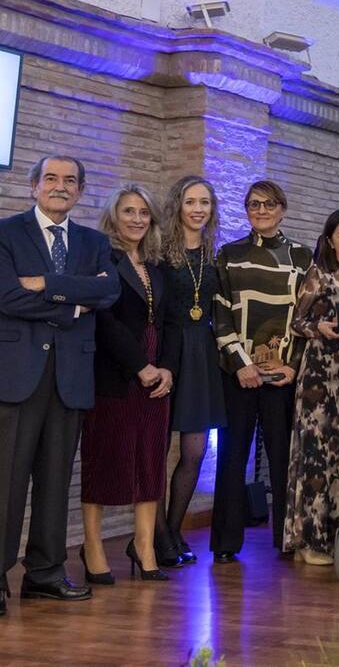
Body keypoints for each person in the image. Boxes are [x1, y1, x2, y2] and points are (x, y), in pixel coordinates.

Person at [0, 155, 119, 614]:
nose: (60, 186)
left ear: (80, 192)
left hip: (70, 379)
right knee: (6, 483)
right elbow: (7, 296)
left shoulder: (92, 242)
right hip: (17, 377)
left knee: (54, 482)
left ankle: (45, 574)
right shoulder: (6, 233)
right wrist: (71, 303)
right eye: (51, 178)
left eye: (70, 181)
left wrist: (45, 283)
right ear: (34, 187)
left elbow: (107, 293)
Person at [210, 180, 313, 561]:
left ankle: (287, 538)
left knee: (284, 458)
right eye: (254, 204)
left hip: (282, 375)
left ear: (282, 208)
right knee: (231, 457)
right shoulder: (229, 254)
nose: (261, 210)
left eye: (269, 204)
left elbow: (307, 317)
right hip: (237, 373)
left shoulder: (302, 256)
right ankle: (224, 544)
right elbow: (219, 313)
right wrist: (241, 364)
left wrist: (293, 366)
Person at [80, 184, 173, 583]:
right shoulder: (99, 258)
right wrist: (140, 366)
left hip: (157, 381)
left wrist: (165, 368)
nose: (136, 219)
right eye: (128, 211)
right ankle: (93, 547)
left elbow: (168, 323)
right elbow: (104, 320)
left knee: (151, 462)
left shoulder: (157, 266)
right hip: (115, 376)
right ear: (113, 216)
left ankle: (145, 545)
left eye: (143, 212)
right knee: (104, 462)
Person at [284, 208, 339, 565]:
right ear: (330, 240)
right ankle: (310, 541)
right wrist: (319, 327)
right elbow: (297, 322)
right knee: (316, 456)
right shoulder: (318, 274)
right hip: (321, 376)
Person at [154, 175, 226, 567]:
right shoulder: (160, 254)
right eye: (190, 202)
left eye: (205, 202)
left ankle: (173, 527)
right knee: (159, 448)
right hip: (169, 351)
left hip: (203, 354)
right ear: (177, 206)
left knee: (196, 449)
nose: (198, 209)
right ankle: (156, 536)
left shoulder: (216, 255)